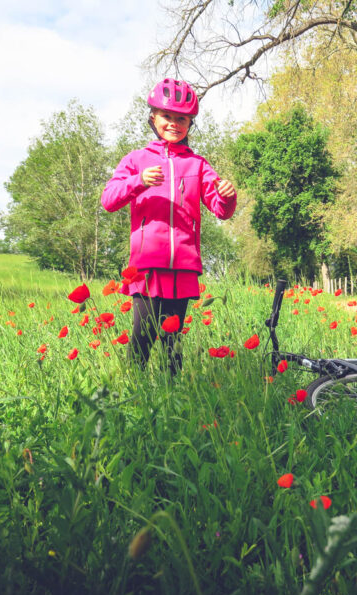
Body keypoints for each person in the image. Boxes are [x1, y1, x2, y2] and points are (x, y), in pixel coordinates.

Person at [101, 78, 237, 376]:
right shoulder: (136, 160)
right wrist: (138, 182)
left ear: (189, 123)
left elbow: (220, 210)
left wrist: (228, 197)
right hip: (148, 267)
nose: (174, 123)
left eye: (181, 118)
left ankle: (171, 405)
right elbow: (108, 200)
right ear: (153, 118)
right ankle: (135, 397)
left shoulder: (198, 165)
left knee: (173, 344)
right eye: (167, 117)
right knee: (142, 338)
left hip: (184, 267)